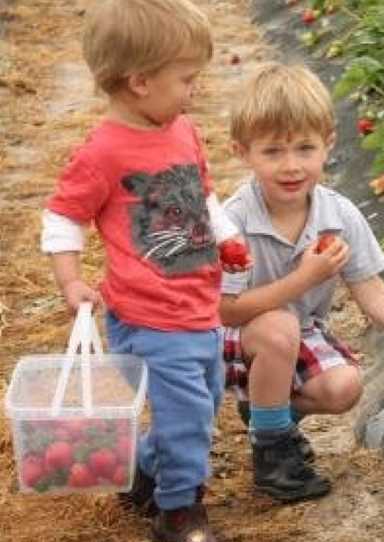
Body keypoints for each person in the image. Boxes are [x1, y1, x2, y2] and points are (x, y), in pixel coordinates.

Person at [220, 63, 384, 503]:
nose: (291, 165)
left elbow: (374, 293)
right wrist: (305, 278)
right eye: (273, 151)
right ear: (242, 152)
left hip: (293, 335)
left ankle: (266, 410)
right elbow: (226, 309)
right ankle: (272, 454)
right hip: (229, 337)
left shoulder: (338, 216)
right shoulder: (234, 220)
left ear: (328, 144)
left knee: (344, 387)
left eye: (304, 147)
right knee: (278, 325)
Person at [40, 1, 246, 541]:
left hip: (198, 307)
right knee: (188, 417)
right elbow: (63, 216)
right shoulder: (103, 153)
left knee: (205, 401)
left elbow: (202, 194)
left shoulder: (181, 130)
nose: (193, 90)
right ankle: (179, 512)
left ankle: (145, 472)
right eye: (185, 78)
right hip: (150, 318)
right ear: (139, 82)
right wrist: (71, 280)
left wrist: (223, 236)